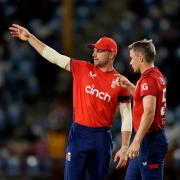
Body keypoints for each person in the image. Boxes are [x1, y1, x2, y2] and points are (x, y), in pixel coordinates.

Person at [9, 24, 132, 180]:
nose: (94, 54)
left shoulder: (121, 82)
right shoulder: (82, 68)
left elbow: (127, 116)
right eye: (94, 50)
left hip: (102, 137)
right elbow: (54, 56)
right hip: (79, 133)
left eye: (99, 51)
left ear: (112, 54)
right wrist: (30, 38)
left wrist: (125, 146)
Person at [116, 39, 169, 180]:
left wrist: (136, 141)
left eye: (132, 58)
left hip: (150, 141)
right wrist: (129, 86)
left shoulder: (148, 80)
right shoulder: (155, 75)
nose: (130, 62)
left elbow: (149, 112)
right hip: (146, 139)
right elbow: (143, 98)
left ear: (140, 58)